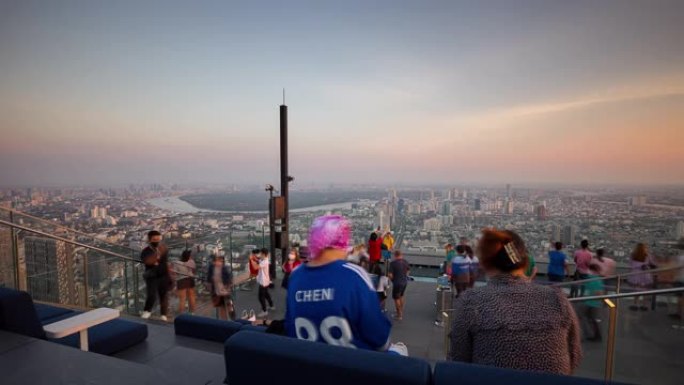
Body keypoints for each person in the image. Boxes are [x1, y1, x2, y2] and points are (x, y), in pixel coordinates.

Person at [449, 228, 582, 375]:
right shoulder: (557, 299)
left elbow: (458, 360)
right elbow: (574, 356)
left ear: (485, 262)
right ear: (523, 260)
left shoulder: (472, 302)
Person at [285, 215, 406, 355]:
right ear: (341, 242)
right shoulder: (354, 275)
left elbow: (289, 327)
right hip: (352, 367)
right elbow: (380, 339)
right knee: (400, 351)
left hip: (307, 362)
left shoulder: (295, 277)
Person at [140, 230, 171, 321]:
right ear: (149, 240)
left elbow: (165, 263)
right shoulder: (146, 251)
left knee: (163, 296)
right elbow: (147, 261)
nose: (157, 241)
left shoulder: (163, 249)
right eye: (155, 239)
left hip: (163, 275)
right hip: (152, 276)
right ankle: (147, 311)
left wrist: (169, 276)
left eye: (159, 239)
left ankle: (163, 314)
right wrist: (157, 254)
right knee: (152, 294)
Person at [579, 264, 605, 342]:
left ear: (592, 270)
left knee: (582, 317)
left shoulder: (592, 279)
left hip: (590, 303)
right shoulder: (598, 279)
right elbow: (600, 292)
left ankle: (584, 335)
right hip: (593, 303)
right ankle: (596, 335)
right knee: (592, 319)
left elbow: (599, 292)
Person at [627, 243, 655, 311]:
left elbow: (631, 265)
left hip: (635, 274)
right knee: (645, 290)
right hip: (645, 274)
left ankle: (635, 304)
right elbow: (652, 263)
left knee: (636, 290)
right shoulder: (647, 255)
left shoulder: (633, 255)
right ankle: (644, 305)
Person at [207, 255, 235, 320]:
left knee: (229, 306)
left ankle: (232, 318)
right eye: (217, 261)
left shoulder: (225, 268)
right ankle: (225, 322)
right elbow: (209, 279)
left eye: (221, 261)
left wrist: (228, 287)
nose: (219, 262)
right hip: (217, 291)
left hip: (225, 290)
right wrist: (210, 288)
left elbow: (229, 279)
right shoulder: (211, 268)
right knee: (222, 307)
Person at [388, 250, 411, 321]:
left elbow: (390, 275)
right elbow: (408, 271)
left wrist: (392, 280)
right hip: (404, 282)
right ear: (401, 254)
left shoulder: (393, 263)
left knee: (396, 298)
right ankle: (400, 310)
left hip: (397, 283)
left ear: (395, 255)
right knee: (401, 296)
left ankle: (399, 315)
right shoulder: (405, 262)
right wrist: (405, 276)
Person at [174, 249, 196, 315]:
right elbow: (194, 271)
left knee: (182, 299)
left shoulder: (177, 262)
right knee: (191, 297)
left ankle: (181, 314)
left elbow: (175, 273)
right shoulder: (191, 262)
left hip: (181, 281)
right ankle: (192, 312)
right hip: (190, 279)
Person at [257, 248, 275, 317]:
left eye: (261, 254)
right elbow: (259, 260)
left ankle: (264, 311)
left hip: (263, 282)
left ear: (264, 254)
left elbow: (256, 267)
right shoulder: (264, 260)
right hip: (266, 281)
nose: (260, 255)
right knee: (266, 294)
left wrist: (251, 259)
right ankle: (271, 305)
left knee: (260, 297)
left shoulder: (264, 262)